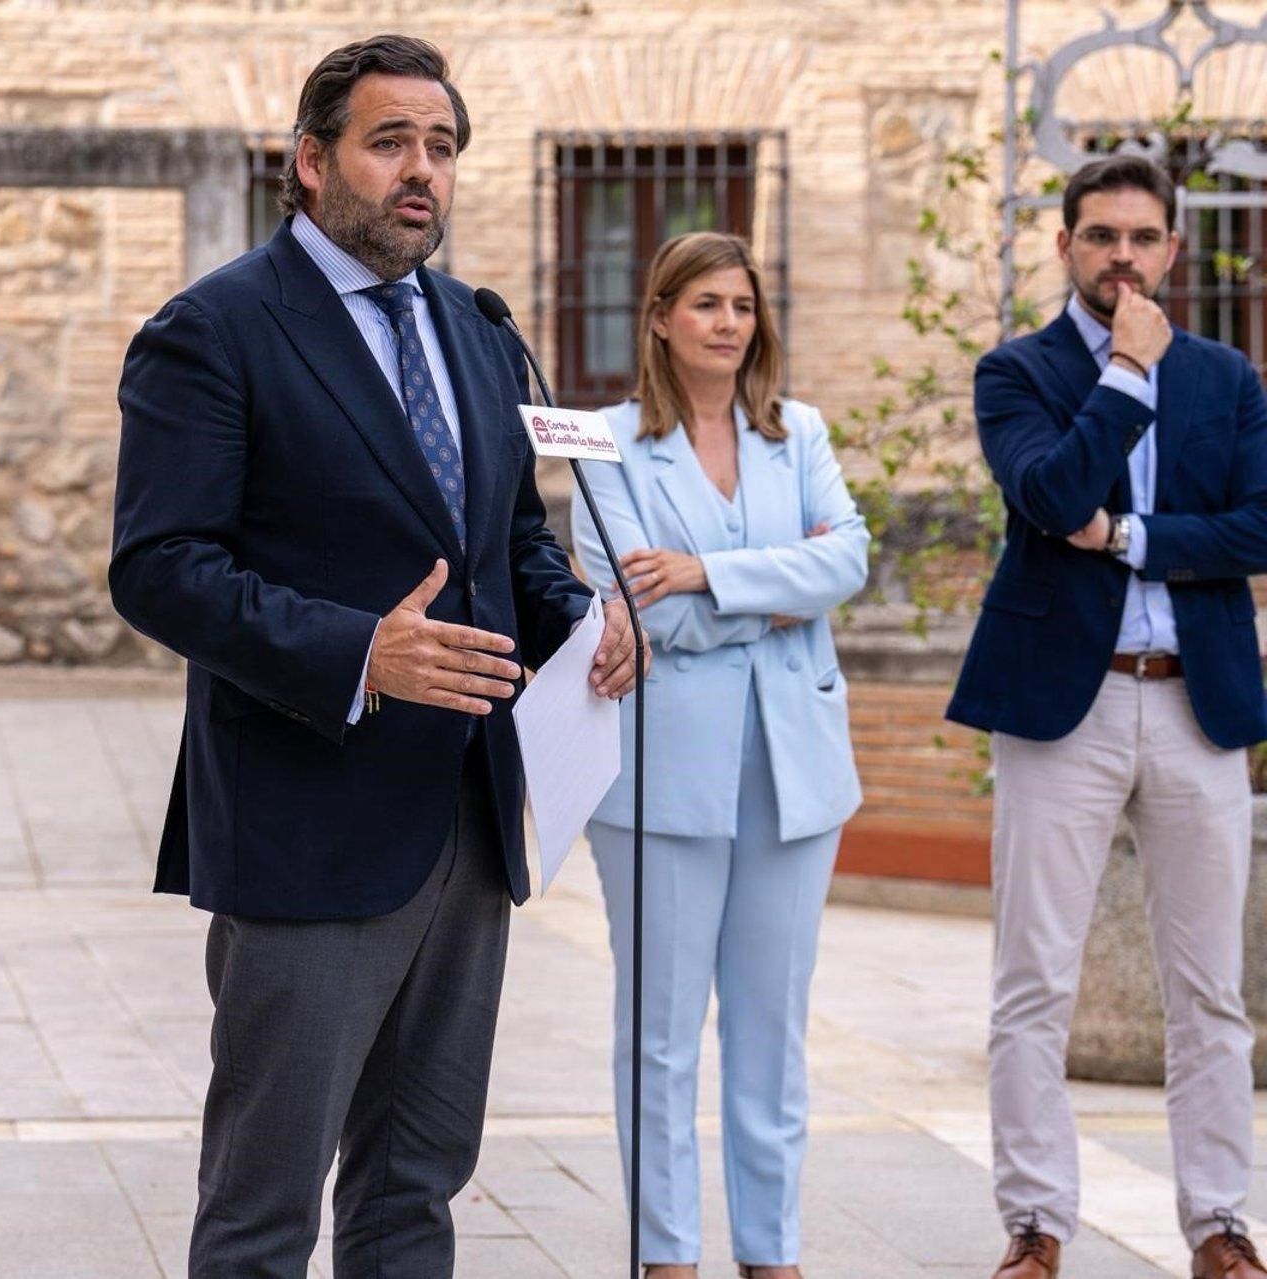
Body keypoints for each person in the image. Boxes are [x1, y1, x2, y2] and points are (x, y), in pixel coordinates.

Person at [108, 34, 640, 1279]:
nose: (423, 172)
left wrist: (585, 621)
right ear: (310, 161)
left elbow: (507, 535)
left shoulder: (475, 328)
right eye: (390, 141)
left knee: (415, 1193)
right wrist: (360, 652)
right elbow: (160, 565)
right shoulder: (213, 331)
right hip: (307, 826)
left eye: (443, 147)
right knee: (263, 1212)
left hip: (466, 817)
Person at [946, 154, 1267, 1279]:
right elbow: (1047, 494)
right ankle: (1036, 1225)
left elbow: (1258, 528)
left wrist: (1131, 539)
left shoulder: (1229, 378)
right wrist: (1127, 377)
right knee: (1034, 979)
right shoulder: (1018, 371)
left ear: (1172, 249)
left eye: (1141, 237)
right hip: (1058, 713)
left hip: (1196, 705)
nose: (1121, 255)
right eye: (1099, 236)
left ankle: (1221, 1223)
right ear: (1066, 245)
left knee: (1210, 988)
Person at [570, 231, 868, 1279]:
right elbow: (625, 605)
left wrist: (703, 575)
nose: (728, 322)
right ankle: (666, 1256)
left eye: (742, 304)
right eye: (704, 303)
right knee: (659, 1031)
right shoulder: (604, 444)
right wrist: (773, 598)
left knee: (771, 1028)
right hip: (661, 774)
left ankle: (771, 1252)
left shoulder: (803, 434)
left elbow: (849, 559)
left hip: (795, 773)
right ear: (659, 317)